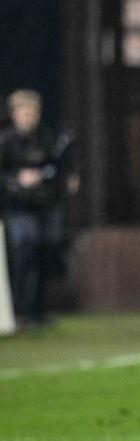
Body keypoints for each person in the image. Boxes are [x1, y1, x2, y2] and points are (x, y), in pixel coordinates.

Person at [0, 89, 71, 327]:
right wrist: (17, 181)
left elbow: (57, 167)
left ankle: (37, 311)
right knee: (24, 252)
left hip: (43, 206)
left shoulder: (46, 138)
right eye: (24, 111)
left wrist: (58, 179)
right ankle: (20, 310)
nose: (29, 116)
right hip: (19, 207)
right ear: (14, 114)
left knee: (44, 252)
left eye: (32, 112)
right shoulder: (6, 141)